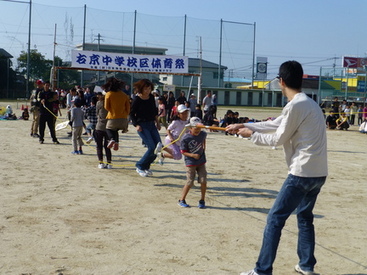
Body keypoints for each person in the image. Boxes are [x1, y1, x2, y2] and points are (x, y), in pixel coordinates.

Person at [227, 61, 327, 275]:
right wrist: (244, 125)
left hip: (301, 174)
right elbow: (276, 123)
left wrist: (251, 135)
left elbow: (278, 138)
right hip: (318, 174)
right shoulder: (308, 103)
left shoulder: (296, 105)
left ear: (281, 81)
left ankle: (262, 270)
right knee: (304, 217)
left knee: (275, 219)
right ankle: (306, 265)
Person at [130, 79, 161, 177]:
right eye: (145, 89)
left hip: (152, 124)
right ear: (141, 89)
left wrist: (158, 122)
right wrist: (136, 125)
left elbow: (154, 111)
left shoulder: (151, 97)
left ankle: (146, 166)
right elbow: (131, 113)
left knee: (158, 147)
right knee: (151, 147)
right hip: (142, 125)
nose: (147, 91)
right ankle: (140, 166)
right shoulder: (137, 99)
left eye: (149, 88)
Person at [178, 117, 207, 209]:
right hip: (191, 162)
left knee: (203, 181)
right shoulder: (186, 138)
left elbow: (203, 142)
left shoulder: (203, 134)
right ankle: (181, 199)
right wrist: (193, 155)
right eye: (195, 128)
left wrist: (203, 150)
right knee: (190, 182)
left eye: (199, 128)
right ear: (190, 128)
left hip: (201, 161)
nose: (198, 130)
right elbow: (182, 151)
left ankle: (202, 200)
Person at [103, 77, 131, 151]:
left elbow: (106, 107)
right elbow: (128, 107)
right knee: (115, 130)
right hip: (123, 118)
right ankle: (116, 143)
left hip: (113, 116)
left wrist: (112, 111)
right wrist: (126, 114)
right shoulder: (124, 95)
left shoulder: (109, 94)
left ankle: (112, 140)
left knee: (109, 129)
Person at [94, 92, 112, 168]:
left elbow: (97, 113)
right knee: (107, 146)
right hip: (109, 126)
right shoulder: (111, 103)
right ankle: (109, 162)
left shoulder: (99, 103)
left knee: (99, 145)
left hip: (100, 126)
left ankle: (101, 162)